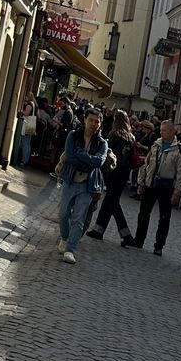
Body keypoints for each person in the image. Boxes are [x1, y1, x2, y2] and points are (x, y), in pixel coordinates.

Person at [57, 107, 107, 264]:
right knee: (63, 213)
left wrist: (80, 154)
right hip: (71, 179)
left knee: (79, 218)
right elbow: (70, 157)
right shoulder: (73, 136)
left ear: (100, 124)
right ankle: (65, 237)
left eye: (97, 121)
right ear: (85, 120)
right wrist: (87, 159)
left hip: (88, 184)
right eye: (91, 120)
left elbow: (98, 162)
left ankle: (70, 250)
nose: (93, 124)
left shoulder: (102, 143)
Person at [134, 120, 181, 255]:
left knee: (164, 217)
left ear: (171, 131)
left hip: (167, 186)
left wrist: (177, 192)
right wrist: (141, 182)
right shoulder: (156, 145)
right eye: (161, 130)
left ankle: (159, 245)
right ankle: (139, 240)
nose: (161, 132)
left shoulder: (179, 149)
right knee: (143, 213)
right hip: (151, 183)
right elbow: (146, 164)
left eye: (164, 130)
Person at [86, 109, 137, 246]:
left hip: (114, 171)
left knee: (112, 202)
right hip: (124, 173)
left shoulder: (114, 135)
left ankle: (125, 235)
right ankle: (100, 230)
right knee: (111, 201)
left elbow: (109, 155)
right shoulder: (130, 138)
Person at [18, 93, 37, 166]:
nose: (25, 98)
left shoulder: (29, 105)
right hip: (32, 122)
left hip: (27, 123)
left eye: (26, 96)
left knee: (25, 142)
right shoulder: (33, 104)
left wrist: (21, 111)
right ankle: (26, 159)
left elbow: (26, 113)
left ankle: (23, 160)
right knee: (28, 143)